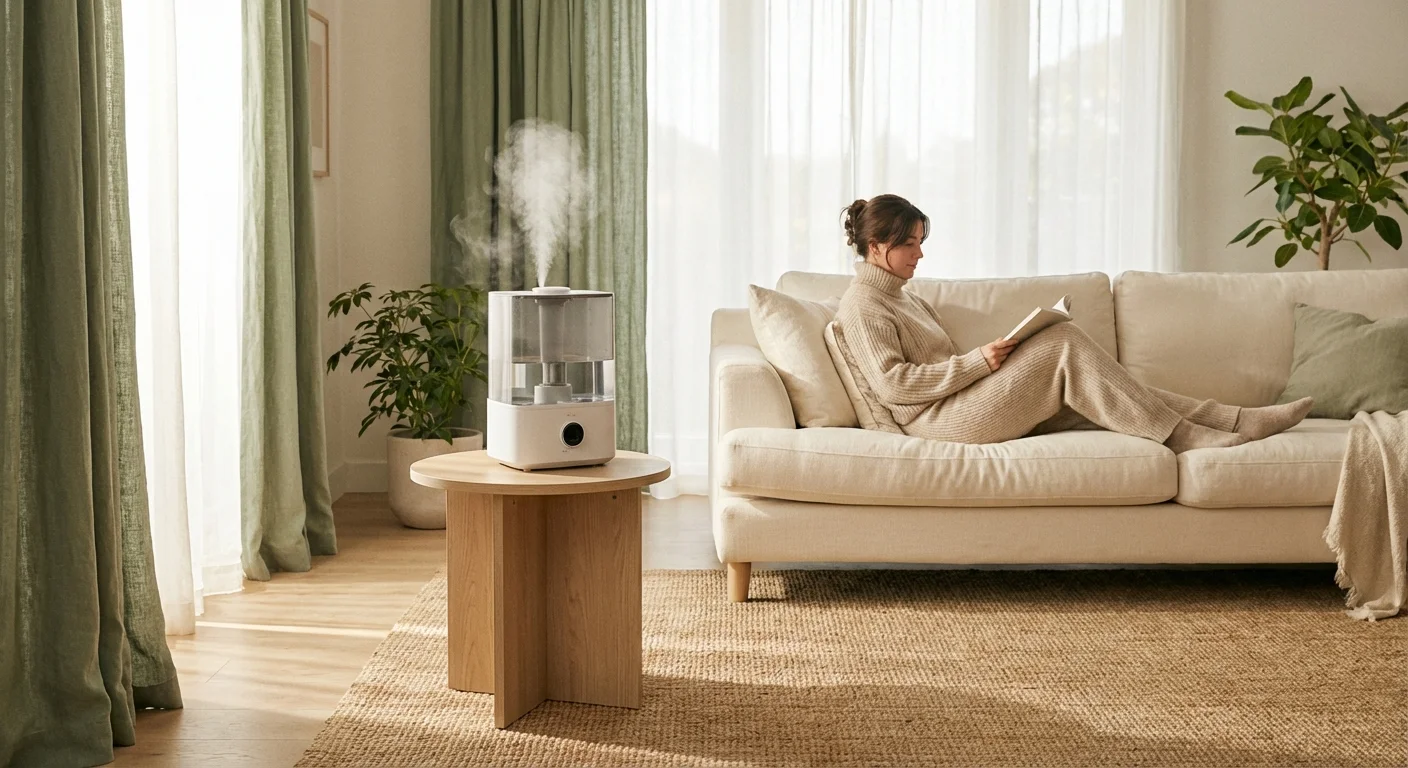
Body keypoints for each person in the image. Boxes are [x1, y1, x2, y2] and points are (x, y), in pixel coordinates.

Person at [834, 194, 1313, 453]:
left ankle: (1235, 419)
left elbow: (938, 365)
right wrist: (979, 362)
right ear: (877, 246)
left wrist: (996, 356)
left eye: (920, 241)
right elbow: (894, 385)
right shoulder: (864, 306)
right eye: (910, 244)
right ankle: (1185, 437)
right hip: (938, 423)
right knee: (1062, 341)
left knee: (1103, 390)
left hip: (958, 402)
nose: (921, 253)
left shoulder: (906, 298)